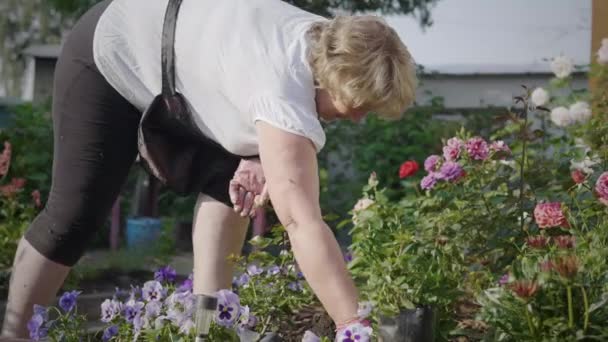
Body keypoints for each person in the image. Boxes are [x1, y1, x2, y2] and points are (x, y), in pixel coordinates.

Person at [1, 0, 417, 339]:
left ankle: (207, 329)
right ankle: (15, 332)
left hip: (187, 72)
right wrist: (352, 324)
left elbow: (260, 95)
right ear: (331, 80)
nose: (360, 118)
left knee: (229, 185)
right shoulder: (282, 83)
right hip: (112, 53)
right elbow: (301, 221)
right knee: (74, 214)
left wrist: (258, 158)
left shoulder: (333, 43)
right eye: (358, 106)